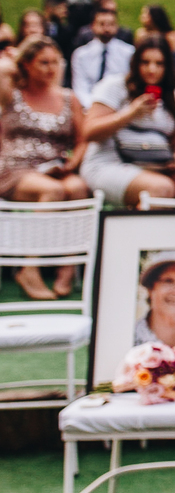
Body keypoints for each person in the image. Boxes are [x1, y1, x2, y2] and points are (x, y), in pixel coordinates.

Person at [0, 37, 90, 300]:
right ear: (26, 64)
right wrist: (13, 61)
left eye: (55, 62)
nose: (51, 68)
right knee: (52, 192)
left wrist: (74, 162)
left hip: (56, 166)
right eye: (43, 63)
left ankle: (67, 268)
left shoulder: (67, 97)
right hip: (15, 167)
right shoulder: (9, 93)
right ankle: (29, 267)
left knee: (78, 188)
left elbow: (83, 139)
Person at [80, 35, 175, 206]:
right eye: (145, 62)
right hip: (110, 163)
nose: (152, 69)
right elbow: (89, 132)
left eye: (159, 64)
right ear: (135, 63)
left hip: (157, 165)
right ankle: (138, 233)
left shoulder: (173, 95)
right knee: (161, 189)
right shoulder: (114, 86)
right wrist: (130, 114)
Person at [70, 8, 134, 108]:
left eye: (111, 24)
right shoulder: (81, 55)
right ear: (92, 26)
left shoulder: (129, 53)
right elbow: (80, 87)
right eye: (102, 24)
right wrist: (93, 108)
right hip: (88, 107)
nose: (106, 29)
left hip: (119, 107)